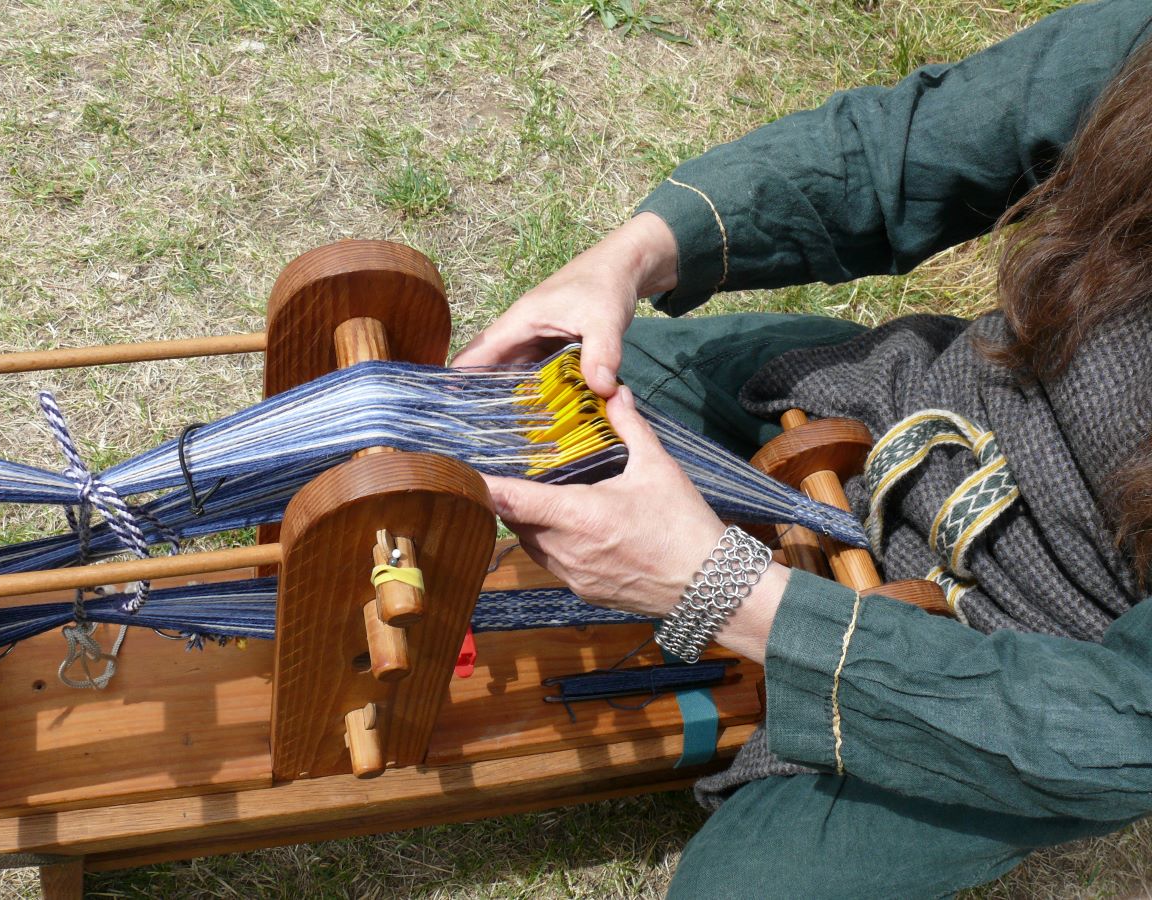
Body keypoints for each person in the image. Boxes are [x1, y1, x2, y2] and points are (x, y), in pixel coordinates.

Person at [453, 0, 1152, 896]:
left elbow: (1126, 732)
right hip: (895, 418)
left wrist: (721, 593)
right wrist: (631, 256)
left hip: (1026, 656)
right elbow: (906, 145)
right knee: (555, 389)